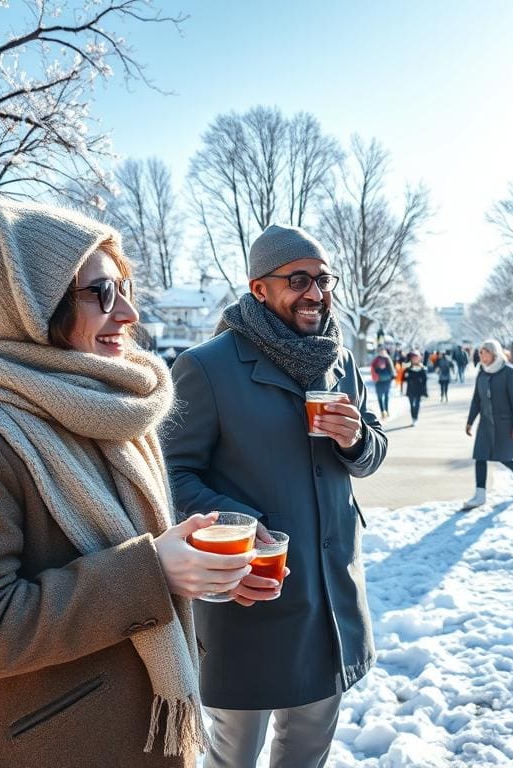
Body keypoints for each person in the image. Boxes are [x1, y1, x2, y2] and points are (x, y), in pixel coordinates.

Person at [0, 199, 257, 767]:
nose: (129, 313)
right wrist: (151, 570)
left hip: (151, 729)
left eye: (125, 287)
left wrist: (196, 568)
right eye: (102, 293)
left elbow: (133, 550)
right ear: (26, 306)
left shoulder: (116, 403)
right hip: (61, 745)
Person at [162, 223, 387, 768]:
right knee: (233, 751)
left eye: (324, 280)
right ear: (259, 288)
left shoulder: (339, 359)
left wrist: (356, 438)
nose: (315, 293)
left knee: (308, 747)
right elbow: (168, 474)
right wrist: (237, 523)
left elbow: (376, 447)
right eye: (298, 280)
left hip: (330, 591)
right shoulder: (206, 367)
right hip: (249, 591)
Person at [462, 339, 513, 509]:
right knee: (480, 457)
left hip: (504, 423)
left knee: (502, 457)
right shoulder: (481, 372)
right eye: (480, 352)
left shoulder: (508, 372)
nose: (480, 355)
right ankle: (479, 495)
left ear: (494, 353)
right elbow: (476, 399)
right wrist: (470, 421)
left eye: (484, 352)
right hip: (485, 423)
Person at [403, 350, 428, 426]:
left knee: (416, 404)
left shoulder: (422, 368)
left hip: (418, 389)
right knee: (411, 405)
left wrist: (424, 391)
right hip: (410, 389)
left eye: (416, 357)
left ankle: (415, 418)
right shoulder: (408, 368)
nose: (414, 359)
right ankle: (413, 417)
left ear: (419, 358)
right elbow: (404, 379)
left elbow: (424, 380)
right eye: (413, 358)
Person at [370, 347, 394, 419]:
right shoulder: (376, 360)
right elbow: (372, 368)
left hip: (386, 381)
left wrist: (391, 377)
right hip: (379, 381)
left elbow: (391, 370)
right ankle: (383, 412)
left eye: (383, 351)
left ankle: (386, 411)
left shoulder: (387, 359)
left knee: (386, 396)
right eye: (380, 351)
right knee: (380, 397)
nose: (382, 352)